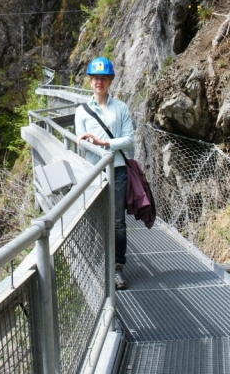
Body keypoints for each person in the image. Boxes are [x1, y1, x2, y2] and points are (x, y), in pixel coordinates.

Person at [75, 56, 135, 290]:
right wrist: (90, 143)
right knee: (95, 218)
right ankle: (98, 262)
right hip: (92, 171)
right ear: (90, 81)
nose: (99, 81)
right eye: (95, 77)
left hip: (117, 170)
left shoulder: (120, 108)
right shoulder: (82, 111)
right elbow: (79, 139)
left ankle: (117, 267)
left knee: (118, 221)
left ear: (110, 80)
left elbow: (130, 138)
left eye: (103, 78)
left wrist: (104, 143)